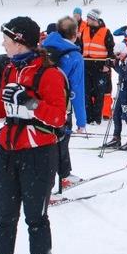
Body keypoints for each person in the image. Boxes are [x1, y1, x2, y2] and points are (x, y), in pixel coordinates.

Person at [0, 16, 68, 254]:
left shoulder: (49, 73)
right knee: (4, 217)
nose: (2, 43)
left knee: (35, 217)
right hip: (8, 149)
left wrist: (29, 102)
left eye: (6, 38)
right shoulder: (8, 69)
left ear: (19, 41)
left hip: (38, 152)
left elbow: (58, 118)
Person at [42, 16, 87, 188]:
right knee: (61, 141)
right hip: (61, 106)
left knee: (46, 141)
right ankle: (60, 178)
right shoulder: (74, 56)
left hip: (39, 103)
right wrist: (81, 121)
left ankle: (61, 174)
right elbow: (77, 89)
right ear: (75, 34)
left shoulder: (43, 46)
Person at [77, 8, 114, 125]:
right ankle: (89, 118)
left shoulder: (106, 32)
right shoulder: (85, 31)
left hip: (100, 66)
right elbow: (80, 48)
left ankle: (97, 119)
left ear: (94, 19)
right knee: (86, 92)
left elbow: (111, 50)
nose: (86, 20)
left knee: (99, 94)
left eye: (88, 18)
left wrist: (108, 65)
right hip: (86, 64)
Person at [103, 40, 127, 151]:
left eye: (118, 54)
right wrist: (113, 64)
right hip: (122, 90)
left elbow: (126, 75)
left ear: (123, 52)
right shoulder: (122, 60)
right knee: (116, 114)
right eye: (116, 55)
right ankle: (116, 138)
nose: (117, 57)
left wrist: (114, 66)